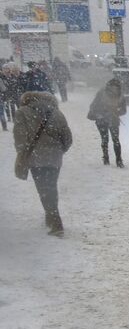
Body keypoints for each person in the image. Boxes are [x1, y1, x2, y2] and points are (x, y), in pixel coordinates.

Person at [12, 89, 74, 236]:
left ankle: (56, 222)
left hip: (35, 157)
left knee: (43, 189)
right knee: (51, 187)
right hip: (55, 158)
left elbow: (20, 137)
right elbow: (68, 138)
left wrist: (23, 153)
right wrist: (59, 150)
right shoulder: (57, 113)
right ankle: (50, 216)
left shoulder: (22, 112)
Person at [87, 77, 127, 167]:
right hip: (103, 120)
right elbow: (93, 106)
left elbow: (124, 110)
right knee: (110, 140)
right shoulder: (102, 94)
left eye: (116, 88)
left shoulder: (120, 97)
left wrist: (116, 112)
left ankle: (113, 159)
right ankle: (112, 159)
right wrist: (104, 112)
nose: (114, 90)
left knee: (111, 140)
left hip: (111, 120)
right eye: (113, 87)